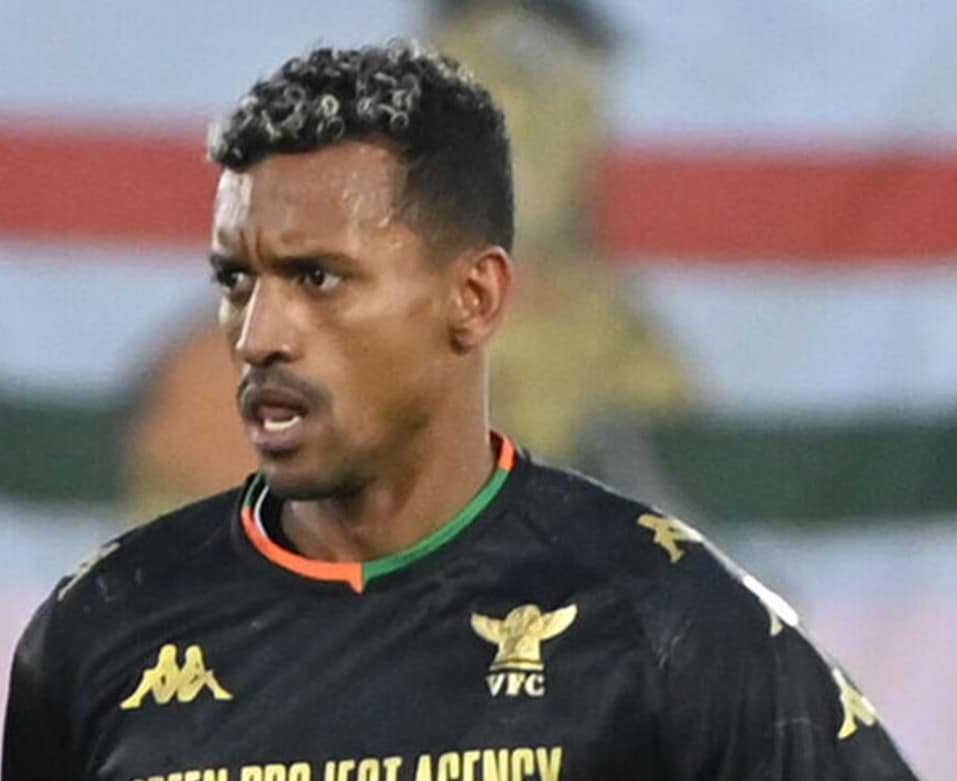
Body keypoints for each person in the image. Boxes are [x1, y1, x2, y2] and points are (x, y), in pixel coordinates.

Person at [0, 41, 957, 781]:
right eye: (236, 280)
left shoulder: (664, 616)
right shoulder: (97, 638)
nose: (260, 335)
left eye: (317, 278)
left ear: (473, 296)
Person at [120, 0, 689, 522]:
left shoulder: (618, 341)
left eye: (560, 98)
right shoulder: (234, 366)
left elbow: (688, 507)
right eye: (501, 87)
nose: (536, 134)